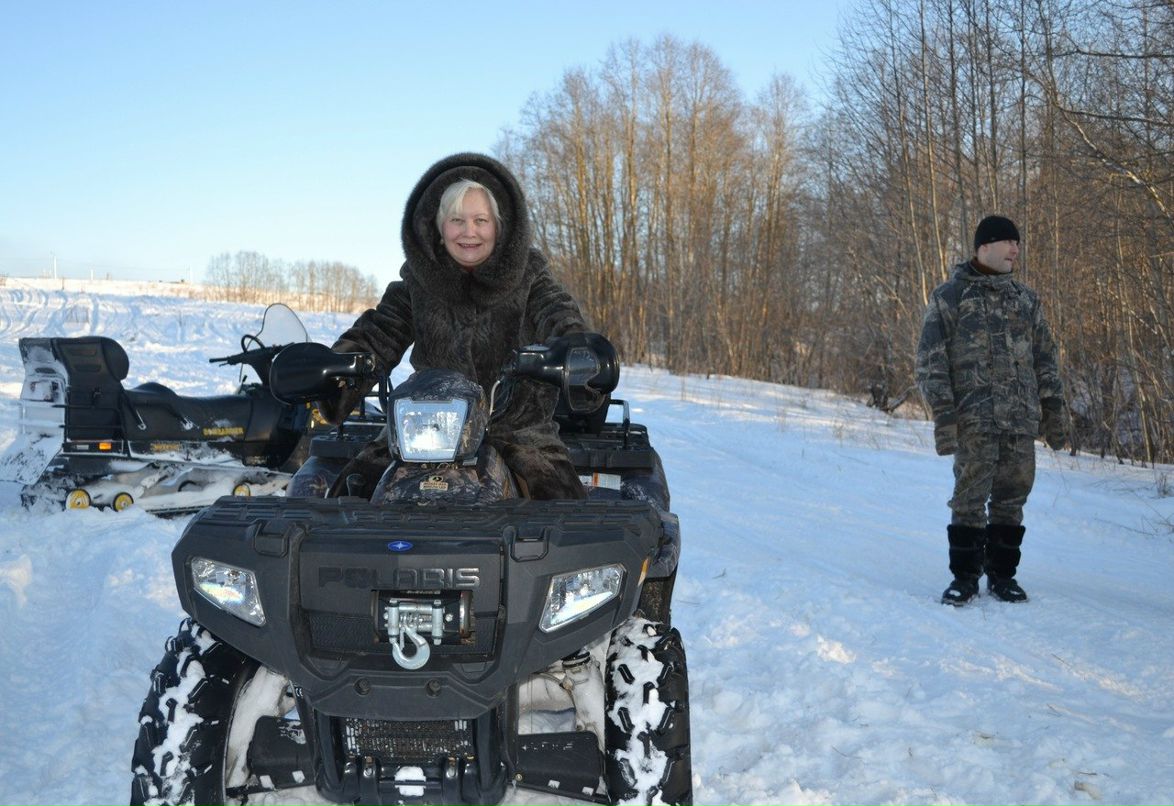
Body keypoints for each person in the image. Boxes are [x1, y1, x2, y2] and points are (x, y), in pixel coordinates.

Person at [317, 152, 590, 500]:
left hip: (517, 427)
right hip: (423, 428)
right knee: (350, 494)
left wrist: (579, 350)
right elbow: (379, 332)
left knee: (561, 505)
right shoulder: (417, 282)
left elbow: (559, 315)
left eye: (481, 220)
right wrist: (338, 369)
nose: (469, 232)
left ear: (500, 225)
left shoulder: (530, 277)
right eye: (457, 220)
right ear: (438, 226)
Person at [915, 215, 1068, 605]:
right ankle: (964, 578)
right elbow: (931, 362)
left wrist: (1054, 413)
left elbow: (1046, 360)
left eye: (1017, 243)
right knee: (968, 501)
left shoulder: (1026, 300)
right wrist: (944, 416)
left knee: (1011, 501)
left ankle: (1002, 576)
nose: (1016, 249)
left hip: (1019, 422)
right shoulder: (950, 298)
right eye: (1008, 242)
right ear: (984, 247)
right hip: (973, 421)